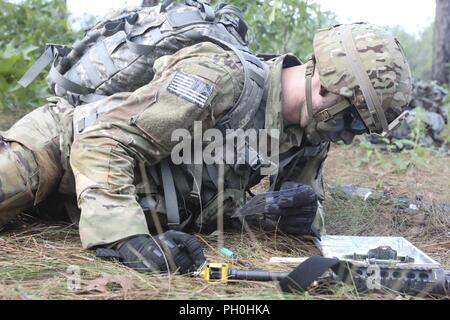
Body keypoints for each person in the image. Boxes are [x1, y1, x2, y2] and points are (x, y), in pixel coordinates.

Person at [0, 22, 412, 274]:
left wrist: (298, 214)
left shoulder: (308, 135)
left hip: (95, 199)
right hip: (57, 149)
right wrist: (125, 239)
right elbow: (102, 144)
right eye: (352, 120)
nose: (347, 136)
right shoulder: (222, 80)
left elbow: (295, 220)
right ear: (324, 87)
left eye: (362, 129)